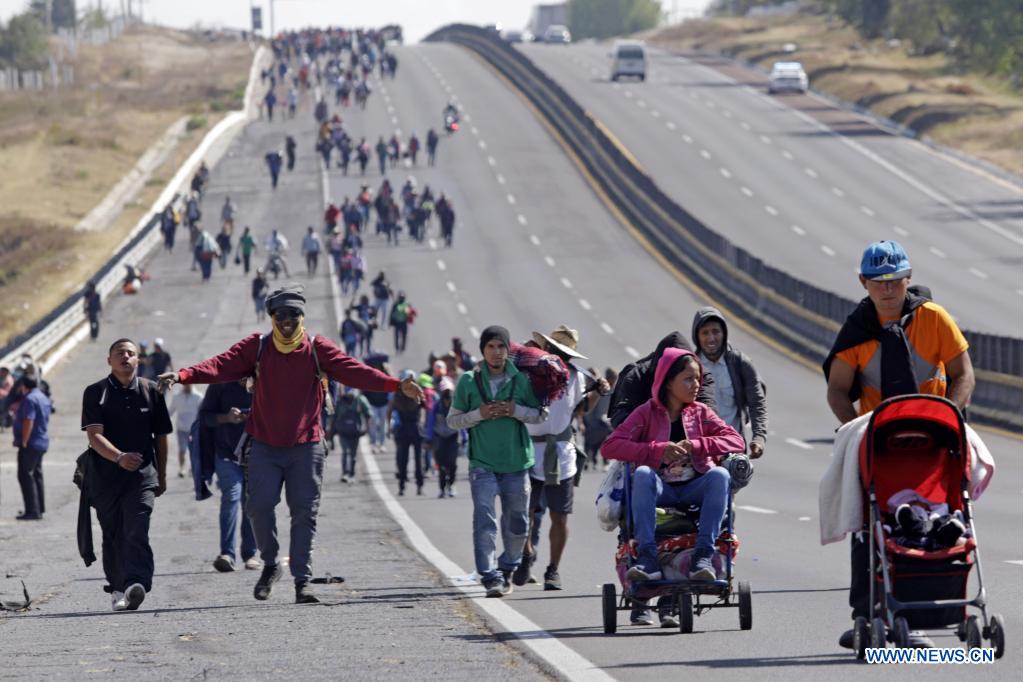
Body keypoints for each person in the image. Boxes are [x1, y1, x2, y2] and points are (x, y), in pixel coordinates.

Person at [158, 284, 423, 604]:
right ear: (271, 317)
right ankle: (271, 564)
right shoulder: (256, 348)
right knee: (258, 508)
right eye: (280, 315)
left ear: (302, 317)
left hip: (306, 446)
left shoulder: (316, 348)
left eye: (294, 314)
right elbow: (220, 365)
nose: (287, 320)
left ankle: (303, 580)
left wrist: (396, 385)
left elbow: (356, 372)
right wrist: (183, 375)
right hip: (264, 445)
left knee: (304, 513)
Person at [823, 240, 975, 650]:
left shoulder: (934, 319)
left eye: (895, 281)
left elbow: (964, 373)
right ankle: (864, 616)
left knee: (940, 517)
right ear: (863, 283)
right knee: (865, 524)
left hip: (935, 438)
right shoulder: (857, 330)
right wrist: (856, 427)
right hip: (881, 443)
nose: (887, 290)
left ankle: (933, 608)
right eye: (878, 283)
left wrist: (952, 417)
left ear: (908, 278)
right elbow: (837, 390)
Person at [601, 349, 744, 607]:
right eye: (688, 379)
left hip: (694, 487)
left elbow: (736, 440)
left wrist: (698, 446)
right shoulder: (647, 412)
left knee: (720, 475)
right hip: (660, 487)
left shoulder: (700, 412)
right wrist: (657, 450)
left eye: (698, 379)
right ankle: (648, 559)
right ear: (668, 381)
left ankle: (703, 557)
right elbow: (611, 446)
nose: (696, 385)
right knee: (642, 473)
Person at [446, 326, 547, 598]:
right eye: (490, 346)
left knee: (518, 522)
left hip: (517, 463)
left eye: (501, 346)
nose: (496, 352)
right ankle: (489, 575)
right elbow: (453, 420)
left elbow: (540, 415)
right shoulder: (469, 381)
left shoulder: (521, 380)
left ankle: (507, 567)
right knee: (485, 520)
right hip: (483, 463)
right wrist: (479, 414)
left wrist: (515, 411)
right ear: (483, 350)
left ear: (508, 349)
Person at [82, 339, 172, 611]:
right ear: (109, 360)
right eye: (119, 353)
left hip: (142, 477)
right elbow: (94, 436)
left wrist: (162, 476)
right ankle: (118, 587)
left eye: (131, 353)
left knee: (136, 527)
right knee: (113, 533)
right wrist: (119, 457)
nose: (125, 357)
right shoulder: (95, 392)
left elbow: (161, 437)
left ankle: (137, 583)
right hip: (105, 477)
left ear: (138, 360)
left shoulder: (151, 391)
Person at [516, 326, 609, 591]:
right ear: (545, 349)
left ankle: (553, 569)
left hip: (560, 453)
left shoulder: (576, 376)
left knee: (560, 516)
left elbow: (580, 409)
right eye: (554, 350)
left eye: (563, 353)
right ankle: (526, 553)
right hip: (528, 451)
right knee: (524, 512)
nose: (558, 356)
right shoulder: (529, 371)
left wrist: (596, 390)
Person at [200, 379, 260, 572]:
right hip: (226, 455)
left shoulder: (264, 382)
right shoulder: (220, 385)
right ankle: (227, 553)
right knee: (231, 498)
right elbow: (205, 417)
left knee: (251, 503)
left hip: (257, 455)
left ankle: (250, 554)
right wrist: (226, 418)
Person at [691, 307, 767, 459]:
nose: (711, 338)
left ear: (724, 334)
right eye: (705, 333)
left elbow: (757, 403)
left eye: (716, 332)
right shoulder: (689, 366)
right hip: (700, 449)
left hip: (732, 447)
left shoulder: (740, 363)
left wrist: (759, 438)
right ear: (697, 337)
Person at [608, 331, 716, 428]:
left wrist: (695, 441)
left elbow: (711, 418)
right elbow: (620, 421)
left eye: (696, 378)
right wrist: (653, 440)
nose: (695, 384)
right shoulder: (638, 375)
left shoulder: (699, 374)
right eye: (688, 379)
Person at [13, 375, 51, 520]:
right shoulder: (42, 396)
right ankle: (39, 508)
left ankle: (32, 511)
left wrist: (24, 440)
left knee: (25, 475)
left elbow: (29, 420)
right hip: (41, 441)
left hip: (31, 442)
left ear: (23, 386)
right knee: (36, 474)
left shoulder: (29, 399)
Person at [388, 370, 425, 495]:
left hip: (409, 428)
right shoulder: (406, 395)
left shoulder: (399, 395)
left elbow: (424, 409)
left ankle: (409, 485)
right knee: (406, 459)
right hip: (408, 428)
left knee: (411, 459)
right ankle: (405, 485)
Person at [425, 377, 462, 497]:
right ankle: (441, 489)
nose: (447, 395)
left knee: (452, 463)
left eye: (449, 392)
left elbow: (463, 420)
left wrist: (465, 436)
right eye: (445, 392)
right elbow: (430, 422)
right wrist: (429, 437)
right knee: (440, 464)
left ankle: (451, 485)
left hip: (453, 436)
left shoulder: (457, 405)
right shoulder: (436, 406)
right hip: (439, 437)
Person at [327, 390, 370, 483]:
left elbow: (368, 414)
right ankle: (345, 473)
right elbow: (332, 416)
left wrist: (367, 428)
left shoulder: (360, 400)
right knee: (345, 451)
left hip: (356, 432)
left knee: (353, 454)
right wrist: (331, 431)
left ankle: (352, 473)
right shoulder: (339, 401)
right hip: (343, 431)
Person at [582, 367, 617, 471]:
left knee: (605, 440)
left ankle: (604, 461)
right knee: (589, 442)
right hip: (592, 420)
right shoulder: (600, 388)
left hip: (603, 421)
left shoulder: (613, 390)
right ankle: (588, 460)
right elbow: (589, 407)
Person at [169, 384, 203, 479]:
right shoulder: (177, 397)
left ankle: (192, 468)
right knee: (182, 449)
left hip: (194, 429)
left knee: (193, 450)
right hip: (181, 428)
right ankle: (182, 469)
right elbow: (170, 411)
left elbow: (202, 413)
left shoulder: (198, 397)